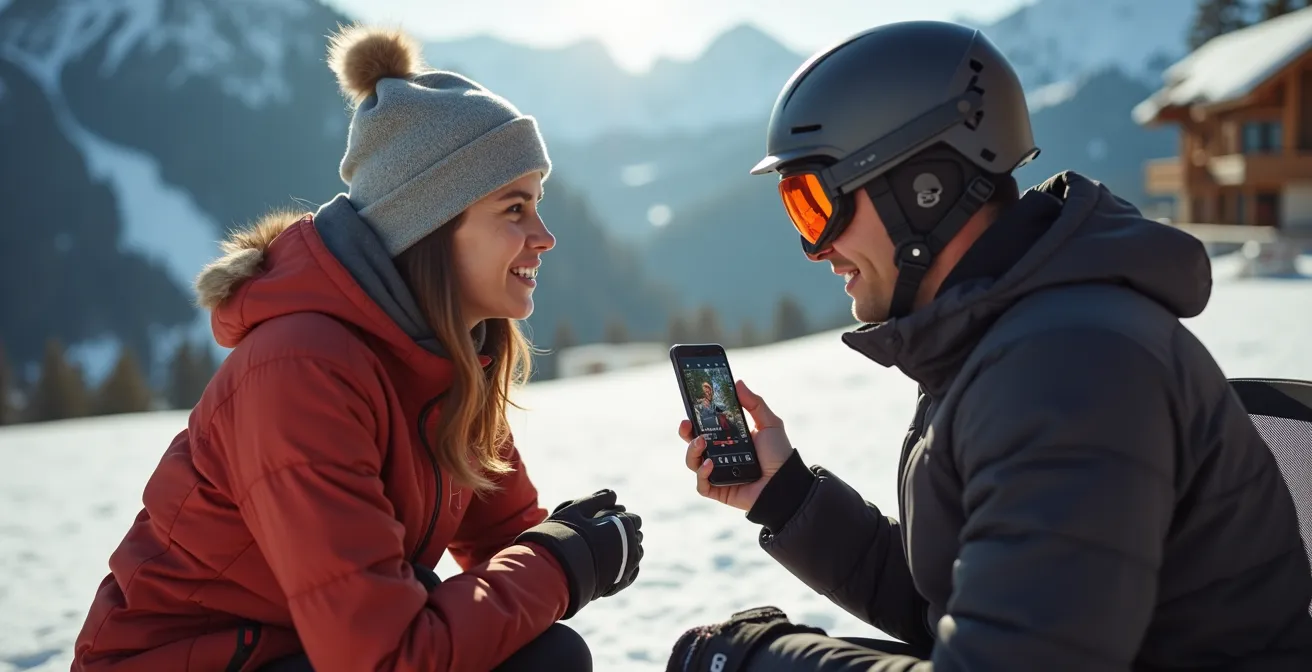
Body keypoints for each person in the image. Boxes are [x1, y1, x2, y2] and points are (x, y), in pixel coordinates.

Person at [665, 20, 1312, 672]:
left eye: (813, 201)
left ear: (924, 189)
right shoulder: (1007, 340)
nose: (817, 247)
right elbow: (954, 609)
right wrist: (785, 496)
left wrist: (753, 662)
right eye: (795, 208)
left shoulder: (1072, 369)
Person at [70, 24, 644, 672]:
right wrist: (559, 562)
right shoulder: (301, 370)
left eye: (537, 205)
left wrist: (568, 542)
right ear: (430, 224)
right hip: (191, 662)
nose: (544, 236)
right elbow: (384, 658)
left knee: (546, 654)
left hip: (303, 647)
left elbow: (503, 540)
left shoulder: (449, 358)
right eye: (514, 209)